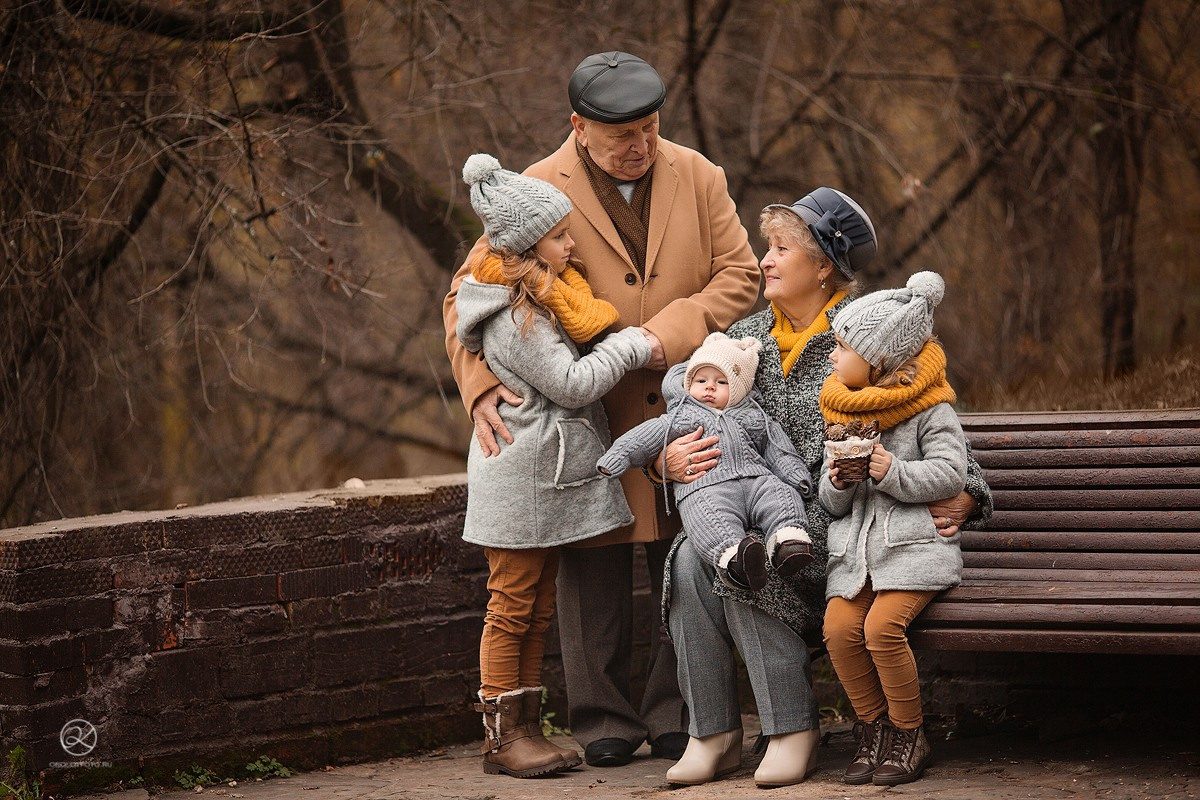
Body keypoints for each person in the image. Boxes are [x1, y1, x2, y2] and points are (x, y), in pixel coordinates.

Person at [444, 52, 760, 767]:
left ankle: (682, 710)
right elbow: (468, 291)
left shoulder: (700, 174)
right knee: (593, 573)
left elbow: (740, 275)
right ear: (578, 128)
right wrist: (479, 384)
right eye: (622, 134)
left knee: (683, 560)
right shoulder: (530, 189)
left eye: (649, 127)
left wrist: (664, 334)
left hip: (685, 404)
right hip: (588, 418)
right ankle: (601, 719)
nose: (640, 145)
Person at [657, 188, 993, 788]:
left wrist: (968, 494)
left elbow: (934, 422)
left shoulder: (872, 332)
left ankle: (791, 728)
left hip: (838, 532)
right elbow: (691, 406)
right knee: (691, 552)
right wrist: (669, 460)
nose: (765, 260)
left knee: (753, 555)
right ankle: (712, 732)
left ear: (822, 266)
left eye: (781, 249)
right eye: (768, 247)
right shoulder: (747, 334)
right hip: (749, 506)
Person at [454, 153, 653, 778]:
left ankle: (527, 728)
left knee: (536, 605)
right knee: (511, 604)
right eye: (561, 236)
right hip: (519, 479)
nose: (572, 244)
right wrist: (631, 344)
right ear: (528, 245)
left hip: (539, 475)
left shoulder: (540, 295)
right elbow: (570, 384)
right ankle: (499, 737)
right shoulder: (517, 316)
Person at [819, 271, 965, 787]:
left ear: (878, 358)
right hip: (856, 555)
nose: (833, 357)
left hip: (912, 551)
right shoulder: (840, 407)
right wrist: (836, 480)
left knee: (882, 630)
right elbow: (829, 501)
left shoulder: (931, 409)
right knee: (839, 630)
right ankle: (872, 728)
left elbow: (953, 474)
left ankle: (909, 733)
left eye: (841, 347)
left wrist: (893, 472)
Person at [596, 332, 814, 593]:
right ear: (688, 384)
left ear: (739, 389)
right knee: (709, 517)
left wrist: (796, 476)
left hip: (756, 479)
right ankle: (736, 561)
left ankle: (787, 541)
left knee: (780, 494)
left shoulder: (755, 416)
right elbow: (643, 438)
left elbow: (778, 449)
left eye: (722, 381)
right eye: (701, 380)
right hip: (706, 487)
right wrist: (616, 456)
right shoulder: (681, 417)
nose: (709, 387)